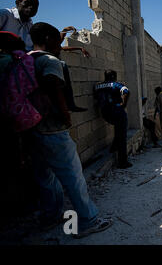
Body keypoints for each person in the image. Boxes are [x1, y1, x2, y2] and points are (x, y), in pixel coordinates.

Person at [27, 22, 112, 237]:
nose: (60, 45)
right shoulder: (50, 62)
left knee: (45, 177)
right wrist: (66, 116)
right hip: (53, 129)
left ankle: (51, 217)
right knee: (73, 177)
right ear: (47, 39)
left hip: (31, 128)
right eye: (58, 41)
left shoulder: (25, 60)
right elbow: (54, 88)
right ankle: (87, 220)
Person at [94, 70, 132, 169]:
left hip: (105, 113)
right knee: (122, 136)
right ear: (113, 76)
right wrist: (123, 104)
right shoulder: (115, 84)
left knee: (118, 130)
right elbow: (126, 91)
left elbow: (96, 98)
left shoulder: (97, 86)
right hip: (117, 111)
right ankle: (122, 162)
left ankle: (113, 148)